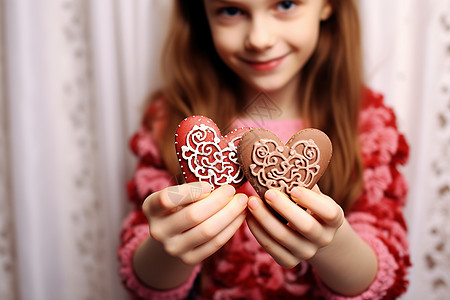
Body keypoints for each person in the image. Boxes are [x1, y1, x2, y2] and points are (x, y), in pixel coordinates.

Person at [118, 0, 411, 299]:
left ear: (328, 5)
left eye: (285, 4)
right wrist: (168, 244)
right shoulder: (170, 123)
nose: (259, 39)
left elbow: (385, 275)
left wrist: (332, 243)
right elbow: (142, 274)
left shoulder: (368, 124)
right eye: (231, 11)